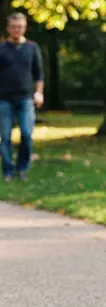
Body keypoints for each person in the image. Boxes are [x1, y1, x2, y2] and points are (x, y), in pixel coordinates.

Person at [0, 13, 44, 182]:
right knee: (5, 137)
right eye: (14, 27)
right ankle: (8, 171)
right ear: (8, 28)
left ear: (24, 28)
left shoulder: (32, 48)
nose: (17, 30)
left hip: (25, 98)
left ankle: (22, 168)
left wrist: (38, 92)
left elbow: (39, 74)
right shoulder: (2, 49)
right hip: (4, 99)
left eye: (20, 27)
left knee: (26, 134)